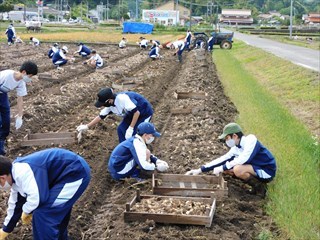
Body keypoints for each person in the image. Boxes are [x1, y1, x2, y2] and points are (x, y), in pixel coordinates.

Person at [0, 148, 91, 240]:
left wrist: (27, 211)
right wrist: (6, 229)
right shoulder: (15, 179)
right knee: (52, 211)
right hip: (62, 176)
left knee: (44, 213)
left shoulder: (23, 172)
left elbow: (38, 198)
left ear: (2, 178)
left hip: (75, 172)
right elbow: (15, 205)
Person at [185, 123, 277, 196]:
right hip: (255, 168)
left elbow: (243, 159)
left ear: (235, 136)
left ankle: (260, 187)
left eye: (227, 138)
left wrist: (222, 168)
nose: (226, 141)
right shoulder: (236, 148)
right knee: (226, 170)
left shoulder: (250, 140)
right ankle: (255, 186)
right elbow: (222, 159)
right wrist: (200, 170)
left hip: (266, 170)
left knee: (237, 169)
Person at [77, 87, 154, 143]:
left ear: (110, 100)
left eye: (103, 103)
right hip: (130, 113)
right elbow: (101, 116)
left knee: (137, 134)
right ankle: (125, 149)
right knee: (121, 129)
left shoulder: (123, 99)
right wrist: (87, 126)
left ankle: (141, 152)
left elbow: (136, 113)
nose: (103, 105)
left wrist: (130, 128)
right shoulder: (110, 105)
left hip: (143, 112)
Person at [0, 61, 38, 155]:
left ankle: (1, 146)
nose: (30, 78)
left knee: (6, 124)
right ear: (24, 72)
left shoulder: (21, 82)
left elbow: (20, 99)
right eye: (30, 76)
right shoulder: (6, 75)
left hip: (2, 95)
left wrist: (20, 116)